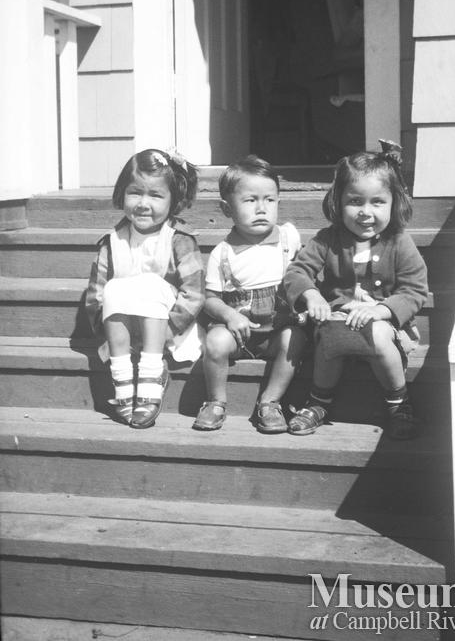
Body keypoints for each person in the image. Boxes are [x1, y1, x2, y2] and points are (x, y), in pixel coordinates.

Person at [284, 140, 428, 440]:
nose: (365, 212)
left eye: (377, 202)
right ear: (338, 201)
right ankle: (319, 401)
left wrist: (380, 310)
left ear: (394, 203)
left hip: (384, 325)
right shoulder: (327, 240)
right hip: (337, 321)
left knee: (375, 335)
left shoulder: (399, 242)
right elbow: (297, 271)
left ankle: (399, 403)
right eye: (355, 201)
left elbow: (414, 290)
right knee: (327, 334)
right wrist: (312, 295)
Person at [86, 148, 204, 429]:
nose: (143, 203)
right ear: (121, 193)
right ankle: (123, 384)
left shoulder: (179, 240)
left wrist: (168, 330)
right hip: (124, 334)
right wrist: (110, 332)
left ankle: (152, 378)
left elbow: (194, 293)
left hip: (168, 330)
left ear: (174, 200)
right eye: (135, 192)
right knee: (114, 288)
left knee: (150, 284)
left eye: (155, 195)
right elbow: (96, 295)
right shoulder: (111, 242)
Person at [194, 155, 307, 434]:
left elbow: (306, 273)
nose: (261, 208)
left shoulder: (288, 238)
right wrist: (229, 316)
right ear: (227, 208)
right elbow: (209, 298)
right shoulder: (223, 252)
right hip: (239, 334)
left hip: (278, 329)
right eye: (249, 200)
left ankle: (270, 402)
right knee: (215, 341)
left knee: (295, 339)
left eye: (269, 200)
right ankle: (215, 401)